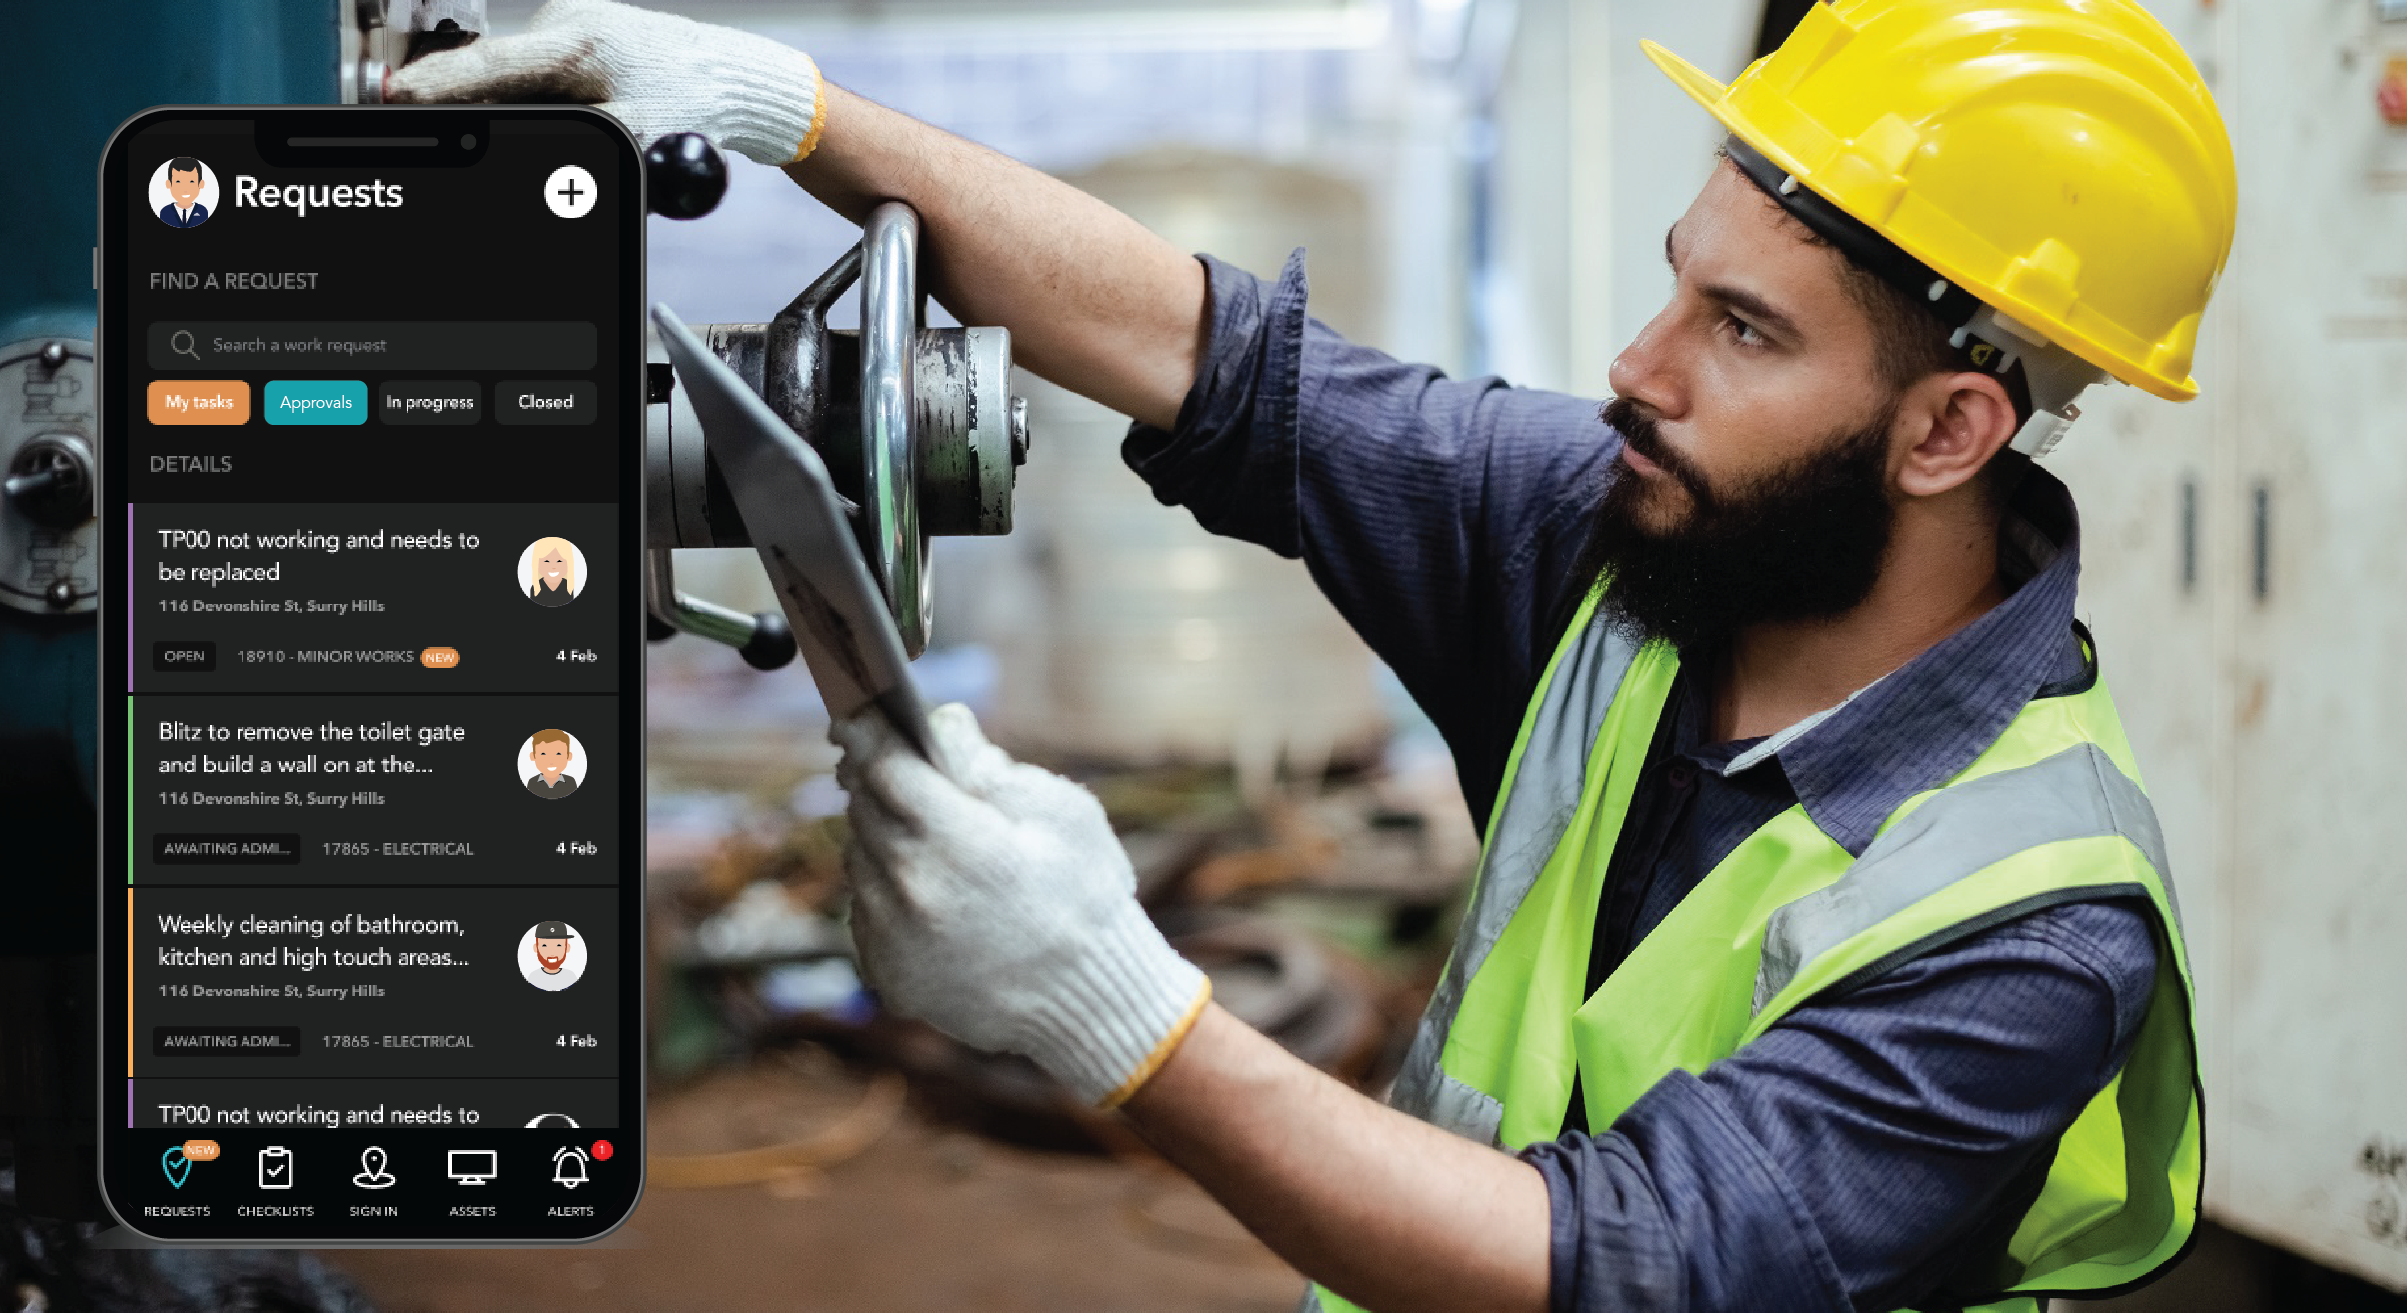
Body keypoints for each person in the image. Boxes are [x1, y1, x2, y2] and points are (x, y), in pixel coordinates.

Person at [396, 2, 2227, 1308]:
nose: (1637, 366)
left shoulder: (2031, 923)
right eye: (1681, 280)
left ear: (1948, 431)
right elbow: (1225, 364)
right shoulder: (1630, 533)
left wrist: (1119, 1009)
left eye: (1740, 330)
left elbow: (1622, 1264)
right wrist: (793, 108)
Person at [523, 728, 579, 800]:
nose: (551, 761)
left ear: (569, 756)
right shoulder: (532, 782)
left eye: (558, 754)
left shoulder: (571, 782)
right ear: (533, 756)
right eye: (543, 754)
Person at [524, 536, 579, 607]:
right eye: (546, 561)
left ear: (568, 563)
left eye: (559, 561)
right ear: (537, 564)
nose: (553, 567)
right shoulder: (535, 588)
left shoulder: (568, 587)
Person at [159, 157, 211, 228]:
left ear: (201, 184)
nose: (185, 189)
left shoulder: (202, 211)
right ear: (169, 184)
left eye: (191, 181)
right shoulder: (165, 212)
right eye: (178, 181)